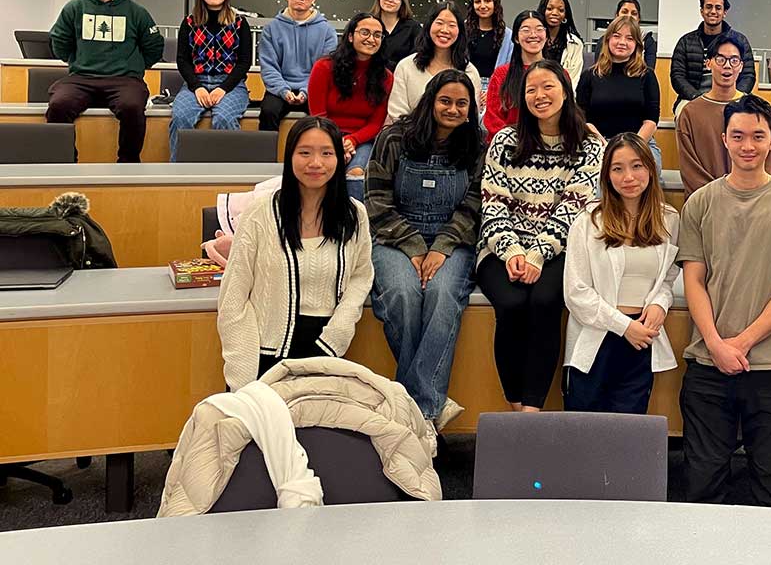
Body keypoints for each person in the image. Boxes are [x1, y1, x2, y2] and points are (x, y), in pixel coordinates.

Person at [678, 93, 771, 507]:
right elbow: (694, 282)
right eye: (738, 136)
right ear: (724, 139)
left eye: (757, 136)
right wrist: (718, 345)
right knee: (703, 484)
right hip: (708, 363)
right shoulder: (700, 202)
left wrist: (740, 344)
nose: (747, 146)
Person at [477, 60, 603, 411]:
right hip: (500, 248)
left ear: (565, 90)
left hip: (558, 249)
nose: (539, 95)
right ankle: (516, 406)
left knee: (546, 301)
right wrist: (511, 250)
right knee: (513, 302)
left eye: (548, 86)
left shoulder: (588, 144)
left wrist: (537, 254)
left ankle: (531, 409)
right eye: (531, 89)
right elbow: (493, 203)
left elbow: (575, 207)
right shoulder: (505, 140)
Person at [216, 116, 373, 390]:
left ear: (340, 158)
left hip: (327, 349)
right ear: (290, 157)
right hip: (264, 350)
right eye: (305, 153)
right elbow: (233, 298)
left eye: (326, 153)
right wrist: (242, 375)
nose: (316, 163)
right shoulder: (260, 213)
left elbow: (361, 277)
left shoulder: (355, 215)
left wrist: (338, 333)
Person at [367, 70, 483, 440]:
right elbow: (377, 199)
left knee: (442, 295)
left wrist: (443, 246)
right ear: (430, 100)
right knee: (401, 294)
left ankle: (413, 411)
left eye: (461, 103)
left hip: (455, 241)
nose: (452, 109)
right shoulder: (394, 137)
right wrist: (415, 247)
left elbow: (476, 203)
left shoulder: (478, 144)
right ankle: (428, 408)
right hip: (394, 237)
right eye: (445, 101)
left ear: (470, 108)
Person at [563, 133, 680, 413]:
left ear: (651, 169)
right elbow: (576, 292)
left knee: (628, 439)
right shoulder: (588, 221)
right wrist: (624, 326)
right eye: (618, 168)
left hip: (641, 340)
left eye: (637, 166)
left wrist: (659, 304)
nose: (628, 176)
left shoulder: (669, 219)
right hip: (597, 337)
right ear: (607, 175)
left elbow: (667, 278)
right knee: (584, 436)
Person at [46, 0, 162, 163]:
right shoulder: (75, 7)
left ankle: (128, 163)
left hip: (124, 80)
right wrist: (77, 60)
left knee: (132, 107)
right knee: (58, 105)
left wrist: (132, 66)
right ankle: (63, 162)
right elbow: (60, 42)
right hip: (82, 78)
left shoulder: (137, 12)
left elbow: (154, 47)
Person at [307, 13, 394, 202]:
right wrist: (336, 141)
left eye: (377, 35)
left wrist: (352, 140)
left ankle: (354, 225)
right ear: (351, 36)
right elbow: (318, 114)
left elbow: (376, 122)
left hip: (361, 139)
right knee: (323, 167)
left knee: (356, 172)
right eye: (365, 32)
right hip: (323, 133)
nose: (371, 39)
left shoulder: (386, 77)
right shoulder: (324, 67)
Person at [168, 0, 253, 161]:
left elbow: (244, 61)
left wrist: (223, 88)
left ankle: (227, 173)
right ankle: (178, 172)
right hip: (195, 85)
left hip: (231, 86)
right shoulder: (189, 23)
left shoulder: (239, 23)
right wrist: (197, 87)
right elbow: (183, 60)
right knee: (181, 118)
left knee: (224, 118)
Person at [575, 16, 662, 171]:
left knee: (646, 171)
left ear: (636, 45)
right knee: (597, 174)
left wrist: (632, 147)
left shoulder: (647, 75)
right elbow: (582, 118)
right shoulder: (590, 75)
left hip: (639, 142)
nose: (622, 42)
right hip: (598, 142)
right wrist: (605, 145)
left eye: (629, 38)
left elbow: (651, 119)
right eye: (616, 36)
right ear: (607, 40)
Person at [257, 0, 338, 132]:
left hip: (314, 87)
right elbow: (269, 67)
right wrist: (283, 90)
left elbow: (326, 69)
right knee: (268, 112)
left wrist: (306, 91)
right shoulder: (271, 29)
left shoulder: (327, 31)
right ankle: (265, 156)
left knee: (324, 119)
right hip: (279, 89)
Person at [386, 1, 483, 124]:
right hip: (411, 138)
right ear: (429, 26)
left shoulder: (469, 71)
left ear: (459, 31)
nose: (445, 30)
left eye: (452, 25)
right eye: (439, 23)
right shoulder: (406, 66)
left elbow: (470, 116)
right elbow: (397, 114)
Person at [677, 35, 747, 198]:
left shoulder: (754, 110)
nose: (727, 66)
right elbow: (690, 170)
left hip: (748, 202)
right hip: (705, 203)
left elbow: (765, 162)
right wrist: (720, 198)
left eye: (734, 60)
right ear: (708, 63)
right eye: (721, 59)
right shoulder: (690, 112)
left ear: (741, 66)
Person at [669, 0, 756, 116]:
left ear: (724, 12)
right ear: (702, 11)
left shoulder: (739, 41)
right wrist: (697, 97)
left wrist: (734, 97)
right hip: (693, 97)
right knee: (683, 113)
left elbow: (748, 75)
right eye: (709, 7)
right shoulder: (686, 42)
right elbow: (677, 76)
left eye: (718, 8)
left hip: (732, 97)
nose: (713, 11)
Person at [483, 10, 547, 143]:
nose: (533, 35)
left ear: (546, 35)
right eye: (526, 30)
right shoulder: (502, 75)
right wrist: (514, 142)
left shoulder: (558, 74)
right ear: (516, 38)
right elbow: (492, 118)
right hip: (507, 147)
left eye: (539, 29)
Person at [465, 0, 514, 93]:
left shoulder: (507, 36)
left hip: (497, 89)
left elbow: (509, 69)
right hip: (467, 86)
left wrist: (490, 92)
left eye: (487, 1)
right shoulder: (463, 32)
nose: (482, 6)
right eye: (477, 1)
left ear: (495, 4)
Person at [370, 0, 422, 71]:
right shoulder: (369, 23)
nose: (390, 0)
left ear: (402, 2)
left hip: (401, 78)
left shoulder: (413, 28)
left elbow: (418, 57)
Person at [536, 0, 585, 86]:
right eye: (549, 9)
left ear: (565, 16)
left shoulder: (575, 44)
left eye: (561, 10)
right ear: (543, 12)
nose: (555, 13)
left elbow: (573, 79)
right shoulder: (533, 39)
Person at [615, 0, 657, 66]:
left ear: (638, 19)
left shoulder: (647, 41)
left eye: (634, 13)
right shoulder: (607, 39)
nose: (629, 16)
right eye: (624, 12)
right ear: (617, 16)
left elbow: (649, 71)